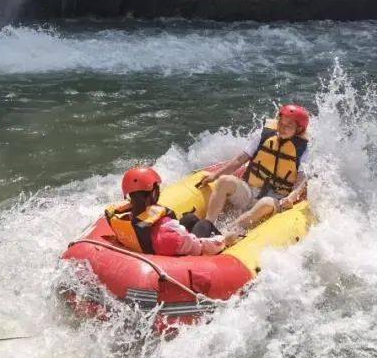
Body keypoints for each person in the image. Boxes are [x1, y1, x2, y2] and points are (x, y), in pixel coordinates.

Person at [193, 103, 311, 236]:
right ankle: (207, 225)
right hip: (249, 190)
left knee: (265, 203)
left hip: (274, 198)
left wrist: (291, 198)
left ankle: (227, 232)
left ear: (299, 129)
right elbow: (239, 160)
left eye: (288, 125)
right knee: (224, 181)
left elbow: (302, 180)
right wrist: (215, 175)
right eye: (281, 123)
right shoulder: (264, 136)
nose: (282, 128)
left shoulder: (303, 150)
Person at [106, 167, 234, 256]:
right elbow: (198, 246)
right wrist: (223, 240)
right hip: (175, 249)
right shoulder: (167, 233)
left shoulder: (124, 217)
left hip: (148, 246)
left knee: (190, 218)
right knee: (205, 224)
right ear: (153, 194)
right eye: (157, 188)